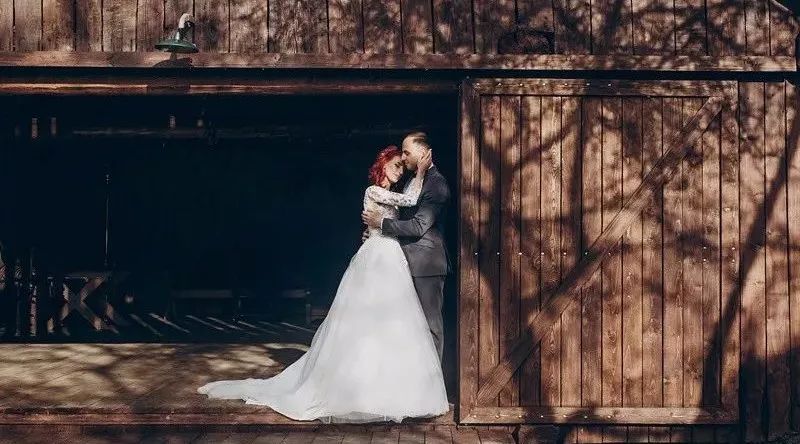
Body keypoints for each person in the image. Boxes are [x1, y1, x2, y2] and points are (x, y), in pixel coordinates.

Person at [198, 145, 448, 424]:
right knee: (365, 320)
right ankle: (360, 389)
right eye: (395, 165)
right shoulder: (374, 190)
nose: (399, 171)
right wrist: (421, 172)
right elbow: (410, 200)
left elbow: (401, 211)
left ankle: (390, 387)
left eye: (402, 167)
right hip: (377, 256)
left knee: (392, 320)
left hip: (390, 254)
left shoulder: (392, 194)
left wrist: (377, 225)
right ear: (383, 165)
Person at [362, 131, 451, 362]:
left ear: (423, 154)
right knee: (406, 326)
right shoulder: (411, 181)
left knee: (430, 326)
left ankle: (433, 381)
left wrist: (381, 224)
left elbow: (419, 225)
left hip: (426, 265)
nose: (403, 158)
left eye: (406, 152)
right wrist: (374, 233)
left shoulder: (436, 184)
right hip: (403, 262)